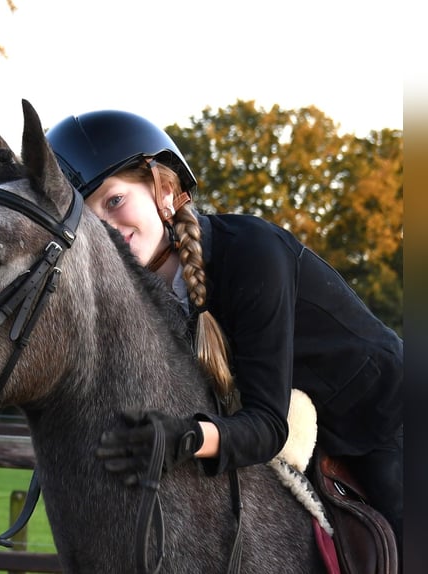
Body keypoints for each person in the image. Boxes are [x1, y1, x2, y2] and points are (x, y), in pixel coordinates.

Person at [46, 109, 403, 557]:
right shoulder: (131, 297)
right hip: (307, 433)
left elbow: (267, 426)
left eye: (114, 201)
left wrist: (185, 438)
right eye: (88, 219)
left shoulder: (252, 252)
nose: (106, 229)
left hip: (384, 416)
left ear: (165, 189)